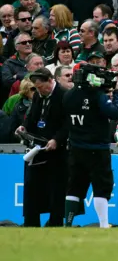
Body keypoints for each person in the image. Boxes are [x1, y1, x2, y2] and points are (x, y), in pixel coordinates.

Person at [63, 65, 118, 228]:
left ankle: (67, 223)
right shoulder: (97, 95)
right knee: (101, 187)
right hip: (97, 149)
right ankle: (104, 224)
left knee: (74, 187)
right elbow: (113, 113)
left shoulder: (68, 95)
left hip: (76, 148)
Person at [15, 68, 68, 227]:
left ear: (50, 80)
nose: (39, 90)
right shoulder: (39, 95)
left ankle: (55, 222)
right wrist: (24, 128)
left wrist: (57, 140)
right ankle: (31, 222)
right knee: (32, 187)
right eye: (36, 88)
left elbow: (68, 123)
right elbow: (32, 117)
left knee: (56, 189)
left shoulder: (64, 95)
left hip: (57, 151)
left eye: (41, 86)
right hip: (38, 148)